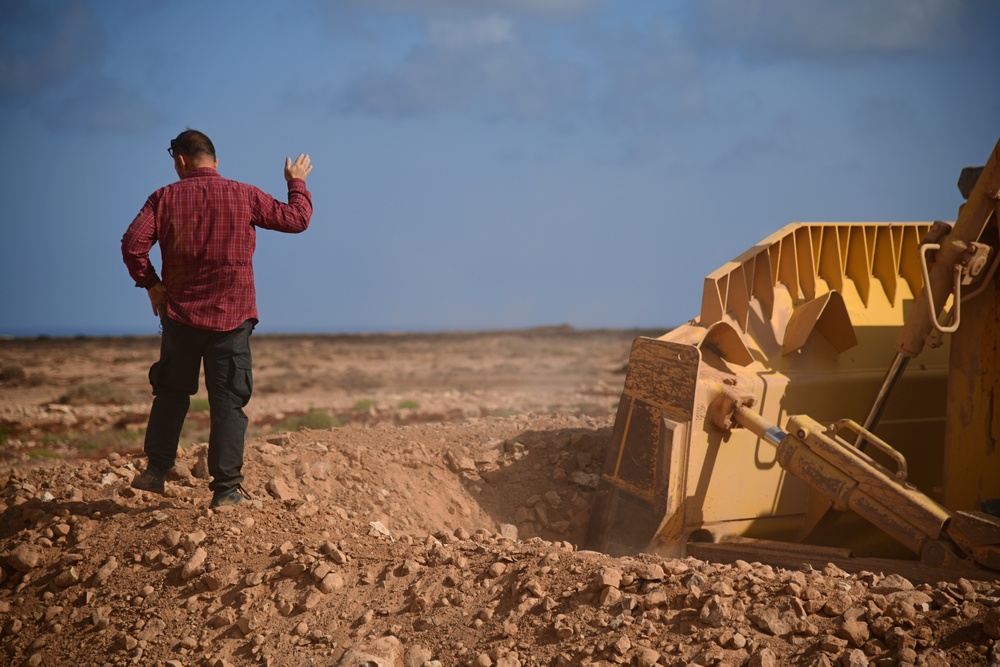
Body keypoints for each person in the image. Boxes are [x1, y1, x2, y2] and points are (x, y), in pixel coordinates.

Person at [121, 129, 314, 508]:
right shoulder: (245, 195)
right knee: (227, 404)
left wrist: (151, 285)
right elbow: (297, 219)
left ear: (180, 161)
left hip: (180, 317)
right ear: (216, 161)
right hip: (232, 317)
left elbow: (132, 244)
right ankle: (226, 491)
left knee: (171, 394)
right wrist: (296, 183)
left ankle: (156, 472)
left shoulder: (163, 198)